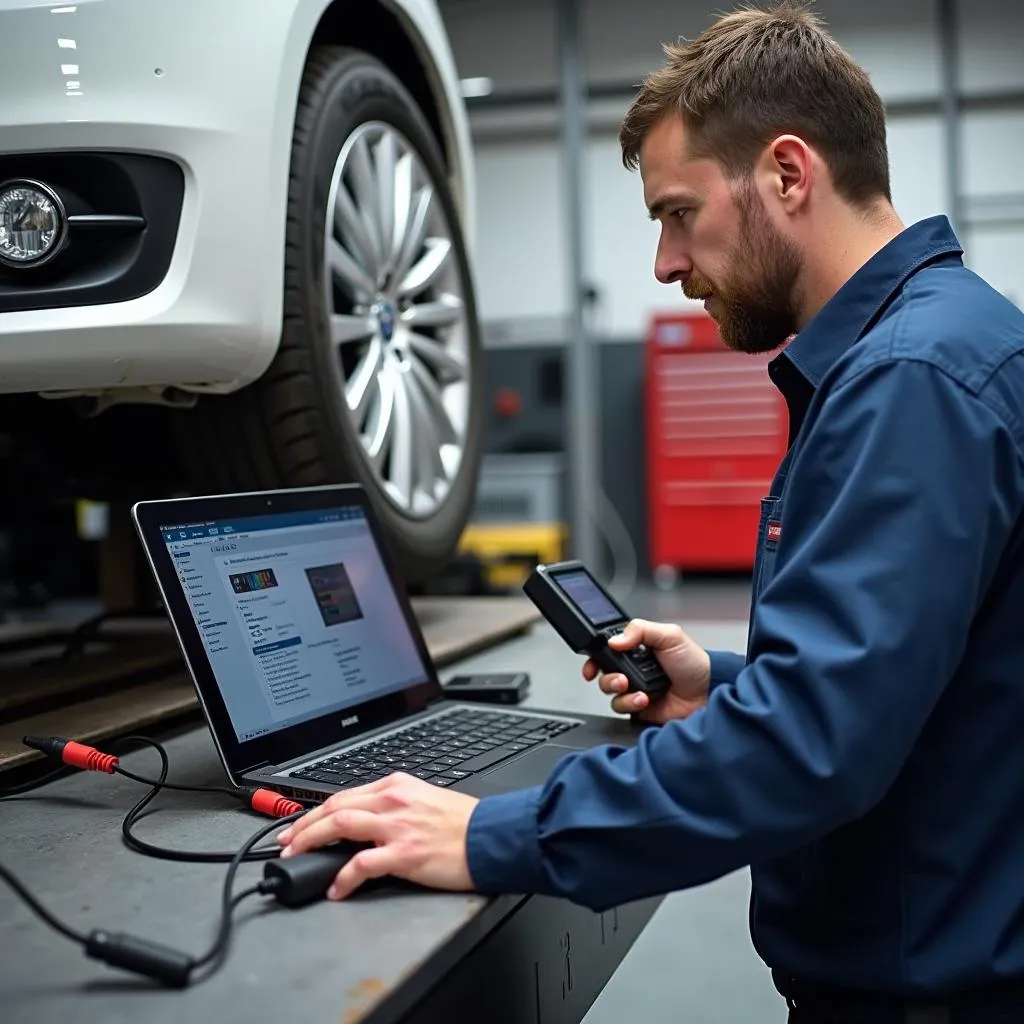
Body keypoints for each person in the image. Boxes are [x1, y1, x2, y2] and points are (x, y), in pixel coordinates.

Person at [276, 2, 1024, 1019]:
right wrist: (720, 681)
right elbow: (917, 675)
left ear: (788, 175)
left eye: (677, 213)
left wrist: (487, 834)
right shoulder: (936, 346)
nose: (666, 265)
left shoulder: (909, 379)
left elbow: (813, 746)